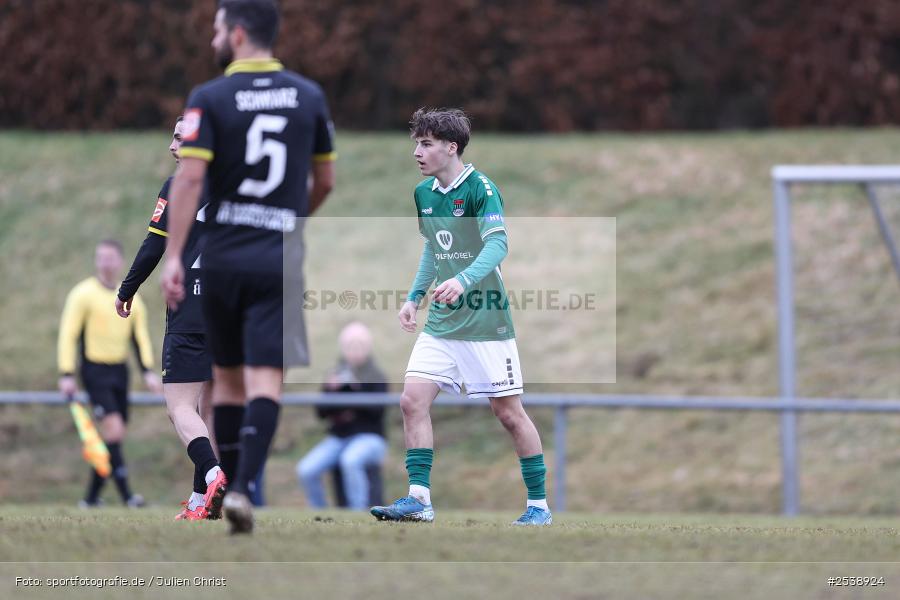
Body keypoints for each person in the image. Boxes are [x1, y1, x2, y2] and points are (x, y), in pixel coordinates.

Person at [161, 0, 335, 534]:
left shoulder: (209, 98)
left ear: (236, 35)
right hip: (278, 258)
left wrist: (173, 255)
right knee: (266, 384)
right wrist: (287, 221)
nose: (213, 37)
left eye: (216, 28)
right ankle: (241, 489)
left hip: (223, 261)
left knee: (228, 385)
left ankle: (228, 483)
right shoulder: (309, 96)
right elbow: (325, 180)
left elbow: (189, 181)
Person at [370, 108, 552, 526]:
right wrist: (415, 296)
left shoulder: (480, 188)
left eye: (426, 143)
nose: (417, 151)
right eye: (416, 143)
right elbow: (435, 248)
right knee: (411, 401)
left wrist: (465, 279)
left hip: (487, 323)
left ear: (451, 148)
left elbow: (498, 244)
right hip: (443, 324)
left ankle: (539, 507)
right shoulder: (424, 193)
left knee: (509, 414)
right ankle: (419, 499)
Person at [115, 116, 226, 522]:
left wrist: (126, 289)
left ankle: (214, 474)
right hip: (229, 311)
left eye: (180, 138)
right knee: (209, 409)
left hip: (191, 307)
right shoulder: (233, 185)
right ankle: (202, 501)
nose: (171, 145)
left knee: (180, 407)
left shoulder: (178, 185)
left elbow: (153, 247)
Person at [58, 240, 162, 508]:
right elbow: (69, 335)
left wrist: (148, 371)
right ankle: (128, 496)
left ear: (119, 262)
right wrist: (67, 372)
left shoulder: (132, 297)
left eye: (110, 258)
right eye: (100, 257)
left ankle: (91, 498)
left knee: (113, 437)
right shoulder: (82, 294)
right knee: (113, 431)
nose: (105, 263)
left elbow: (139, 339)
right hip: (94, 371)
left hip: (120, 371)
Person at [296, 322, 388, 511]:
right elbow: (321, 412)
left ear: (367, 347)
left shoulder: (377, 376)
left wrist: (355, 390)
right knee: (306, 469)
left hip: (370, 439)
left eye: (359, 345)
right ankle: (318, 512)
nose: (354, 351)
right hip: (338, 439)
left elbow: (378, 411)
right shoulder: (335, 376)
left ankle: (358, 512)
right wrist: (331, 391)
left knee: (350, 460)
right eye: (350, 346)